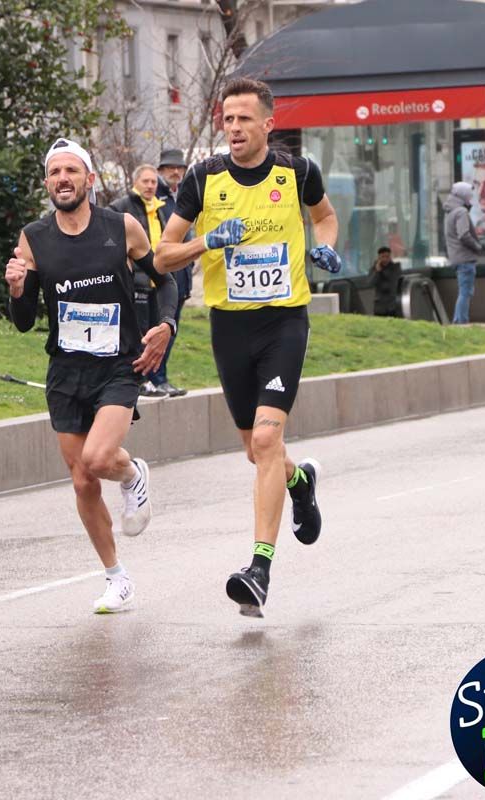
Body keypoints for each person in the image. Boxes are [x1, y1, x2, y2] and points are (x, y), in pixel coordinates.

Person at [155, 76, 341, 618]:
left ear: (267, 124)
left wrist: (325, 248)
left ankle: (259, 570)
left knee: (265, 437)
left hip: (284, 323)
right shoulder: (203, 178)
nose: (233, 128)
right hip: (230, 328)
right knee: (257, 452)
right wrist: (207, 241)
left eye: (243, 119)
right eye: (227, 119)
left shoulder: (297, 172)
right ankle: (300, 481)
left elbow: (325, 218)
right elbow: (163, 256)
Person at [6, 137, 178, 614]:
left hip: (118, 365)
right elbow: (23, 321)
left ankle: (131, 472)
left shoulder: (121, 227)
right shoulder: (34, 238)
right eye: (54, 172)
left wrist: (166, 325)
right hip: (66, 371)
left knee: (99, 458)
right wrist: (18, 290)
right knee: (83, 480)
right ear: (47, 183)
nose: (63, 179)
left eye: (71, 171)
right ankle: (116, 577)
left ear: (89, 179)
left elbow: (165, 280)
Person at [109, 164, 177, 398]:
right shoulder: (121, 207)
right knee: (139, 334)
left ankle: (155, 379)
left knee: (157, 332)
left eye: (153, 182)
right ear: (135, 182)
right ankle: (139, 381)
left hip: (157, 281)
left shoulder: (158, 208)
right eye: (145, 181)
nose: (150, 186)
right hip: (136, 282)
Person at [151, 147, 194, 397]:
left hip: (181, 277)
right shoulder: (155, 197)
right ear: (161, 170)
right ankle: (155, 379)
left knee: (170, 331)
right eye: (170, 168)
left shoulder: (181, 196)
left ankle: (160, 378)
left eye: (179, 168)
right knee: (161, 329)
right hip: (162, 278)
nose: (175, 172)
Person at [444, 181, 485, 324]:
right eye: (469, 195)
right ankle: (460, 321)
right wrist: (477, 246)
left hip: (456, 258)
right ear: (463, 195)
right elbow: (464, 234)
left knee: (464, 291)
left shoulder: (450, 212)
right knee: (465, 292)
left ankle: (459, 320)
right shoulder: (461, 212)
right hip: (465, 258)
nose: (471, 198)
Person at [368, 245, 402, 317]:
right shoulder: (374, 269)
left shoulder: (395, 267)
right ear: (379, 258)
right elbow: (370, 283)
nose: (385, 259)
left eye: (387, 257)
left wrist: (381, 271)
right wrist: (377, 271)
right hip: (379, 306)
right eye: (383, 257)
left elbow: (392, 280)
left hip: (392, 305)